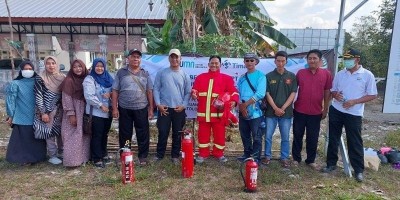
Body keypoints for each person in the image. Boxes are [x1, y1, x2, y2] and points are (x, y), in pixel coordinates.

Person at [322, 49, 377, 182]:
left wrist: (355, 101)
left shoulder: (367, 75)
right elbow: (333, 90)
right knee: (333, 138)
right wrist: (336, 95)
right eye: (345, 59)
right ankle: (331, 164)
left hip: (354, 113)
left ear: (357, 59)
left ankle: (358, 170)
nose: (346, 62)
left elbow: (373, 94)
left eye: (349, 59)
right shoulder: (341, 74)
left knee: (354, 140)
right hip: (337, 110)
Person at [191, 55, 239, 163]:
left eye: (216, 63)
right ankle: (203, 154)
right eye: (212, 63)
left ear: (220, 65)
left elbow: (234, 92)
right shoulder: (200, 77)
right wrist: (194, 93)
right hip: (203, 114)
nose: (214, 65)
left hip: (218, 115)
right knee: (203, 135)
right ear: (208, 64)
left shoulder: (227, 78)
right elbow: (195, 89)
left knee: (219, 135)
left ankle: (219, 154)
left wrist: (234, 101)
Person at [292, 49, 332, 170]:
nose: (312, 60)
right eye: (310, 58)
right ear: (307, 60)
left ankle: (310, 160)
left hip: (316, 112)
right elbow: (293, 90)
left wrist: (325, 108)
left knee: (313, 137)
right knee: (297, 135)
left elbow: (327, 92)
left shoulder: (326, 74)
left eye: (315, 58)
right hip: (299, 110)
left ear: (320, 61)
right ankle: (296, 158)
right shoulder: (300, 73)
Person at [112, 49, 154, 166]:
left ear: (140, 60)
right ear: (128, 59)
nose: (136, 59)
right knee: (125, 133)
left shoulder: (145, 73)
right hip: (124, 108)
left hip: (141, 108)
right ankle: (125, 153)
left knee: (143, 133)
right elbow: (115, 91)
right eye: (133, 57)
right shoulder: (121, 73)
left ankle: (143, 157)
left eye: (138, 57)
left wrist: (151, 108)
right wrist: (114, 108)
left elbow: (149, 91)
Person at [153, 49, 191, 164]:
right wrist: (158, 104)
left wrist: (183, 106)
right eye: (172, 57)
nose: (174, 59)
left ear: (180, 59)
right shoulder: (162, 73)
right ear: (169, 59)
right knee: (163, 132)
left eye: (177, 57)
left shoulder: (185, 75)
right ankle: (160, 154)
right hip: (164, 109)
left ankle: (175, 155)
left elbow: (187, 92)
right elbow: (156, 89)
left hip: (178, 109)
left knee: (177, 133)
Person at [5, 61, 47, 165]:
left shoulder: (38, 81)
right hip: (21, 116)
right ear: (21, 70)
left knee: (36, 137)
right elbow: (11, 100)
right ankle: (21, 158)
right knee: (22, 139)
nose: (28, 71)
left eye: (30, 69)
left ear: (33, 70)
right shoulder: (15, 83)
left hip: (36, 114)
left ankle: (38, 157)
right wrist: (10, 115)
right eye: (25, 69)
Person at [262, 51, 297, 168]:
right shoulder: (269, 76)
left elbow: (293, 93)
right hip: (271, 112)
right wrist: (275, 108)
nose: (280, 63)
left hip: (286, 113)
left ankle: (284, 158)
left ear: (286, 61)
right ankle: (267, 156)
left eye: (283, 61)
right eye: (278, 61)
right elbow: (267, 94)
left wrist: (282, 108)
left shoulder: (291, 76)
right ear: (275, 61)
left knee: (285, 137)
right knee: (268, 136)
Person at [34, 56, 66, 165]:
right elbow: (38, 96)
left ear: (57, 64)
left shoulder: (62, 77)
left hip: (61, 110)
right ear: (45, 64)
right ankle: (52, 155)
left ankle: (62, 152)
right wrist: (43, 113)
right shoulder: (40, 77)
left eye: (53, 63)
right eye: (48, 63)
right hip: (47, 111)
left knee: (61, 132)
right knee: (49, 133)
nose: (51, 65)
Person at [83, 58, 114, 168]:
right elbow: (89, 96)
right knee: (97, 135)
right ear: (94, 67)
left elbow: (114, 90)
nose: (99, 68)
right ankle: (96, 158)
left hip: (107, 112)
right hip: (96, 112)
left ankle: (103, 154)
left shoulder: (109, 78)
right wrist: (101, 105)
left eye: (102, 66)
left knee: (104, 134)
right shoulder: (90, 79)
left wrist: (110, 95)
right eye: (97, 66)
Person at [59, 59, 89, 167]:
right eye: (75, 67)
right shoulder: (69, 81)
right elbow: (66, 99)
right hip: (74, 111)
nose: (78, 69)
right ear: (72, 68)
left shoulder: (87, 78)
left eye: (80, 66)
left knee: (84, 135)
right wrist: (71, 114)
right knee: (72, 136)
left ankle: (83, 159)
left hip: (85, 111)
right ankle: (72, 161)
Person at [237, 53, 266, 163]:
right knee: (244, 134)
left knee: (256, 135)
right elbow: (237, 92)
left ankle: (255, 158)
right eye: (247, 60)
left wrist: (246, 104)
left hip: (256, 112)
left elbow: (260, 94)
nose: (249, 62)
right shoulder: (242, 78)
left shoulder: (261, 76)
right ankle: (247, 154)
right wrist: (241, 106)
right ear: (244, 62)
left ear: (256, 62)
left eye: (251, 60)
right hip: (242, 109)